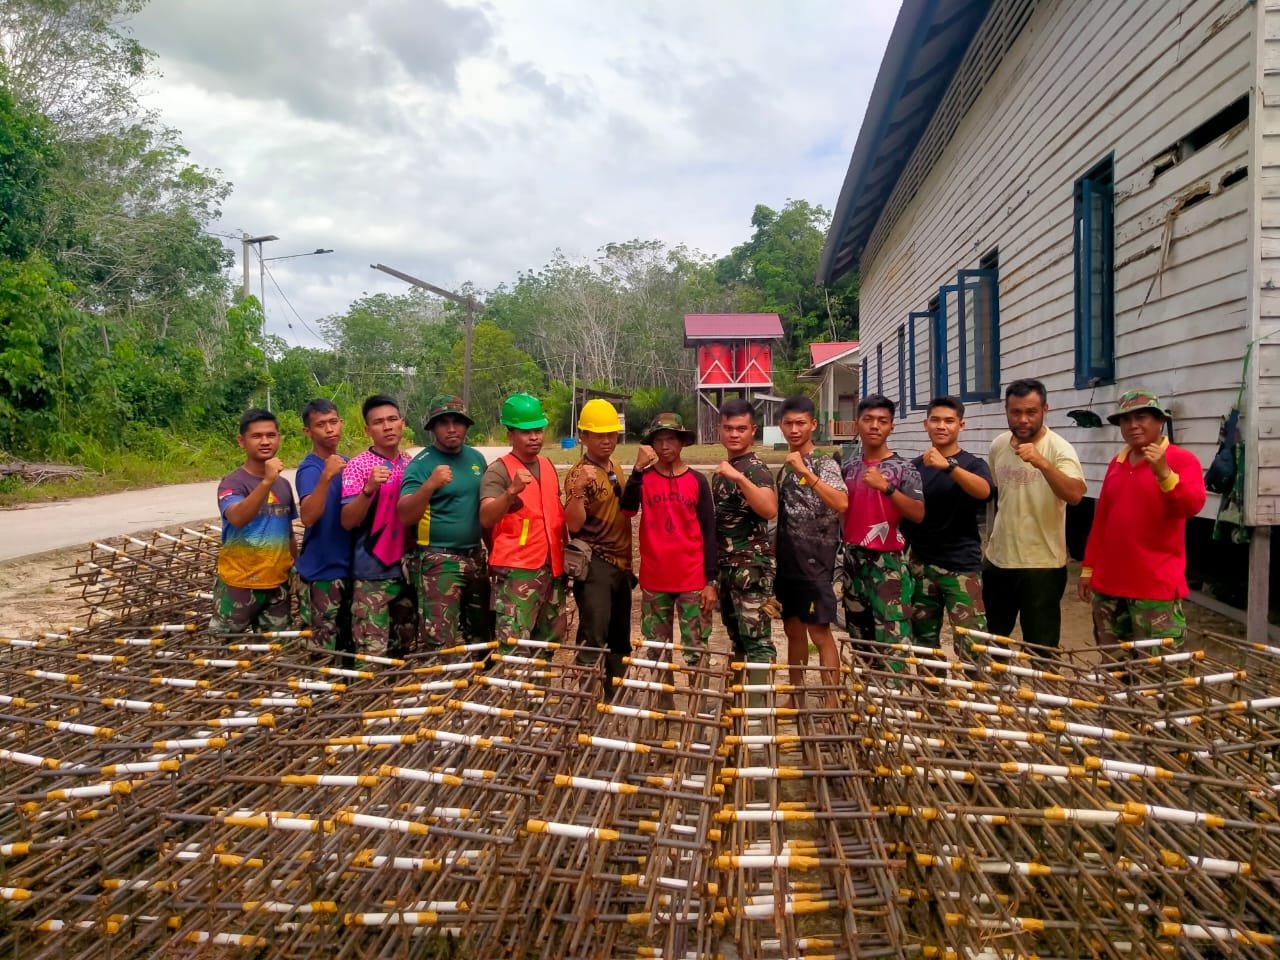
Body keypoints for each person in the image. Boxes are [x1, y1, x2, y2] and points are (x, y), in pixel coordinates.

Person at [1079, 390, 1206, 646]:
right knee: (1113, 668)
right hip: (1109, 587)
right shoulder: (1117, 463)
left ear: (1159, 421)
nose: (1133, 425)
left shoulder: (1182, 460)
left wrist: (1164, 473)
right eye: (1125, 420)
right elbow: (1102, 520)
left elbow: (1192, 505)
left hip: (1154, 589)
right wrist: (1088, 568)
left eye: (1142, 417)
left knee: (1157, 673)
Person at [984, 379, 1086, 648]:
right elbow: (1000, 493)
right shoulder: (998, 446)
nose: (1023, 420)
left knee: (1041, 645)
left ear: (1045, 410)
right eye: (1015, 412)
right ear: (1006, 411)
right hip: (999, 560)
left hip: (1042, 566)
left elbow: (1075, 495)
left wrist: (1042, 462)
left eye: (1031, 412)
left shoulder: (1059, 448)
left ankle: (1042, 688)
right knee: (993, 640)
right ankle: (998, 689)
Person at [619, 413, 717, 667]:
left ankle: (698, 700)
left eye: (671, 439)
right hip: (655, 579)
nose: (665, 446)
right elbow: (627, 509)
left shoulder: (697, 481)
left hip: (692, 579)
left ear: (682, 442)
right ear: (651, 445)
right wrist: (637, 470)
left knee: (696, 649)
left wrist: (711, 581)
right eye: (659, 440)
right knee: (657, 651)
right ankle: (663, 700)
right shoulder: (645, 479)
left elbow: (709, 531)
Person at [900, 396, 993, 657]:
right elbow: (906, 517)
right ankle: (934, 695)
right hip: (921, 567)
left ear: (960, 426)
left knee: (973, 646)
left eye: (949, 421)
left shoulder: (973, 464)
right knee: (923, 644)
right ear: (925, 424)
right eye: (935, 420)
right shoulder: (914, 467)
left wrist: (949, 466)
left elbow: (985, 492)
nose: (942, 426)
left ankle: (981, 697)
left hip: (961, 569)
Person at [398, 395, 490, 651]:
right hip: (438, 560)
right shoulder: (422, 464)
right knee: (440, 638)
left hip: (475, 556)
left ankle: (479, 686)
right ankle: (440, 688)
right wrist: (430, 485)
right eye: (443, 423)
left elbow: (484, 508)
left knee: (481, 633)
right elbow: (405, 514)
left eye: (458, 422)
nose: (452, 428)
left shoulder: (476, 459)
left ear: (467, 426)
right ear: (432, 428)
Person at [774, 395, 847, 707]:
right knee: (793, 631)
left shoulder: (824, 464)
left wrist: (807, 472)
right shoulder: (785, 468)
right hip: (789, 564)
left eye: (800, 423)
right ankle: (797, 694)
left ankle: (831, 700)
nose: (794, 429)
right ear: (781, 426)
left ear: (813, 425)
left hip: (816, 566)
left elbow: (841, 503)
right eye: (788, 423)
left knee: (819, 633)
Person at [479, 393, 567, 650]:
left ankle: (540, 691)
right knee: (514, 645)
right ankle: (512, 691)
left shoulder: (548, 465)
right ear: (510, 434)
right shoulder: (498, 470)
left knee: (549, 642)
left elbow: (555, 515)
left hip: (552, 568)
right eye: (526, 432)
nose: (534, 437)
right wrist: (509, 493)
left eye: (538, 430)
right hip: (517, 571)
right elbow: (485, 517)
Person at [840, 394, 924, 659]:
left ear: (891, 427)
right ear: (857, 424)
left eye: (882, 421)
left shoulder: (903, 469)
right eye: (868, 420)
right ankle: (868, 695)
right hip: (853, 560)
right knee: (860, 641)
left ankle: (893, 696)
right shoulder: (848, 467)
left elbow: (918, 513)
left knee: (892, 642)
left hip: (887, 563)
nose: (874, 426)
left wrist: (886, 488)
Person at [563, 398, 633, 696]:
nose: (607, 441)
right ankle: (588, 703)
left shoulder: (614, 464)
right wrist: (578, 490)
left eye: (612, 434)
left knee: (620, 639)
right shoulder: (579, 473)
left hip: (621, 565)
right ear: (584, 437)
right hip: (595, 567)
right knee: (594, 637)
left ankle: (613, 697)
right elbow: (574, 524)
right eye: (599, 435)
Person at [340, 394, 414, 658]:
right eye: (379, 422)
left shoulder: (410, 463)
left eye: (393, 419)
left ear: (402, 423)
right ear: (367, 429)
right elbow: (348, 520)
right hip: (371, 574)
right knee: (371, 655)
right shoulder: (358, 466)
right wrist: (368, 490)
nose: (387, 427)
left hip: (407, 572)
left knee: (402, 650)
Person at [212, 408, 297, 634]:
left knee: (275, 654)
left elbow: (287, 533)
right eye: (256, 436)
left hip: (277, 585)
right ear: (242, 441)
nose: (265, 441)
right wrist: (267, 481)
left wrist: (295, 568)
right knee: (223, 652)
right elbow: (238, 517)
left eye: (271, 435)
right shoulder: (232, 483)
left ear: (279, 438)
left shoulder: (284, 485)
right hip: (238, 585)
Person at [712, 398, 779, 672]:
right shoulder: (724, 470)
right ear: (720, 430)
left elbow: (769, 509)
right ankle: (740, 706)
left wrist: (739, 478)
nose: (734, 434)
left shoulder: (754, 469)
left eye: (741, 428)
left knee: (758, 644)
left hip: (751, 569)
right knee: (738, 638)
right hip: (728, 570)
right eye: (728, 428)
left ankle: (758, 711)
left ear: (753, 430)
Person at [294, 398, 353, 654]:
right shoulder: (310, 469)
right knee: (322, 653)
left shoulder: (349, 463)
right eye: (321, 425)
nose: (329, 429)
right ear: (308, 431)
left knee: (348, 647)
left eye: (333, 422)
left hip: (350, 570)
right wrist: (326, 477)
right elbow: (307, 517)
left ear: (341, 424)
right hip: (321, 575)